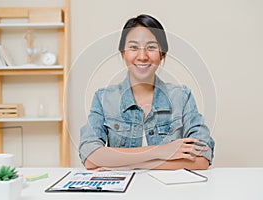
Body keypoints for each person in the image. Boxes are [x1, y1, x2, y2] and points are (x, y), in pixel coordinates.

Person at [79, 14, 215, 170]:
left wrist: (124, 163)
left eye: (151, 47)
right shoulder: (103, 98)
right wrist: (162, 151)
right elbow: (90, 156)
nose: (142, 56)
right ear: (123, 53)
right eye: (133, 47)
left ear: (162, 53)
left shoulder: (182, 97)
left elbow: (202, 157)